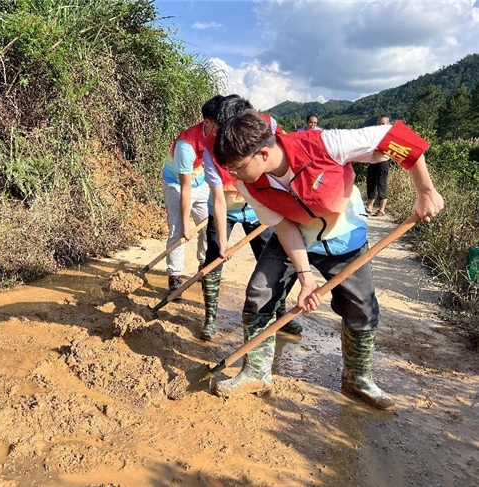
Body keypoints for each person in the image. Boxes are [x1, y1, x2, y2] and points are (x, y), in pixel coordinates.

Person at [211, 111, 444, 409]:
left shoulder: (325, 144)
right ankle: (256, 371)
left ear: (263, 152)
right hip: (294, 237)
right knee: (260, 293)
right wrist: (306, 277)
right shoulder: (248, 182)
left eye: (238, 167)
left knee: (361, 307)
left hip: (344, 238)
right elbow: (283, 226)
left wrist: (425, 190)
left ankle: (357, 378)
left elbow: (398, 137)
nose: (234, 176)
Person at [200, 95, 302, 341]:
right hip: (225, 208)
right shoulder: (211, 151)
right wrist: (223, 241)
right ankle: (210, 318)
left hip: (260, 210)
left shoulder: (268, 127)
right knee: (213, 259)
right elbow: (219, 198)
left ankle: (280, 312)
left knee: (273, 266)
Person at [162, 95, 223, 296]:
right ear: (207, 121)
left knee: (208, 226)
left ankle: (203, 266)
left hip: (200, 181)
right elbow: (185, 188)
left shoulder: (217, 135)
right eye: (219, 121)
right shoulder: (185, 145)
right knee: (178, 229)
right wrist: (187, 225)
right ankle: (175, 275)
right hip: (177, 183)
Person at [366, 115, 392, 216]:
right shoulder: (375, 134)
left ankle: (382, 209)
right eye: (379, 123)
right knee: (371, 184)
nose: (380, 125)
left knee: (382, 184)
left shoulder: (390, 136)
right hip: (373, 162)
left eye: (383, 123)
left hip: (383, 162)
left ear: (388, 124)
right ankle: (369, 207)